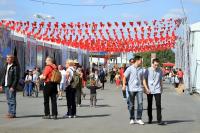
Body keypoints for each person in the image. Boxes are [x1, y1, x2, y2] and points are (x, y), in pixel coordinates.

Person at [122, 56, 145, 125]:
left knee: (140, 103)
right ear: (137, 60)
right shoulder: (130, 68)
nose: (141, 61)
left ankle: (139, 118)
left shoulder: (141, 69)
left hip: (139, 89)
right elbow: (124, 77)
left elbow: (143, 79)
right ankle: (132, 118)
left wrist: (146, 88)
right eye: (141, 60)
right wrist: (123, 86)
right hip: (131, 89)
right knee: (131, 105)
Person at [143, 58, 166, 125]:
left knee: (158, 105)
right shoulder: (148, 70)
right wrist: (146, 88)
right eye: (155, 65)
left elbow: (161, 80)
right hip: (149, 89)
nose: (156, 66)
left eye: (157, 65)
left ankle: (159, 120)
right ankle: (150, 118)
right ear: (152, 63)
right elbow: (144, 79)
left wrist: (161, 88)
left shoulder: (160, 70)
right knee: (150, 105)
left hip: (157, 89)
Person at [0, 54, 20, 118]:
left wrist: (13, 86)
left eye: (9, 58)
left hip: (11, 86)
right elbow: (2, 76)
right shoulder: (5, 66)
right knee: (8, 100)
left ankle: (13, 113)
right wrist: (1, 85)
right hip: (6, 85)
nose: (7, 59)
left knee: (12, 99)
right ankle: (10, 112)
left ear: (12, 59)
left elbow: (16, 78)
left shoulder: (15, 67)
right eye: (7, 58)